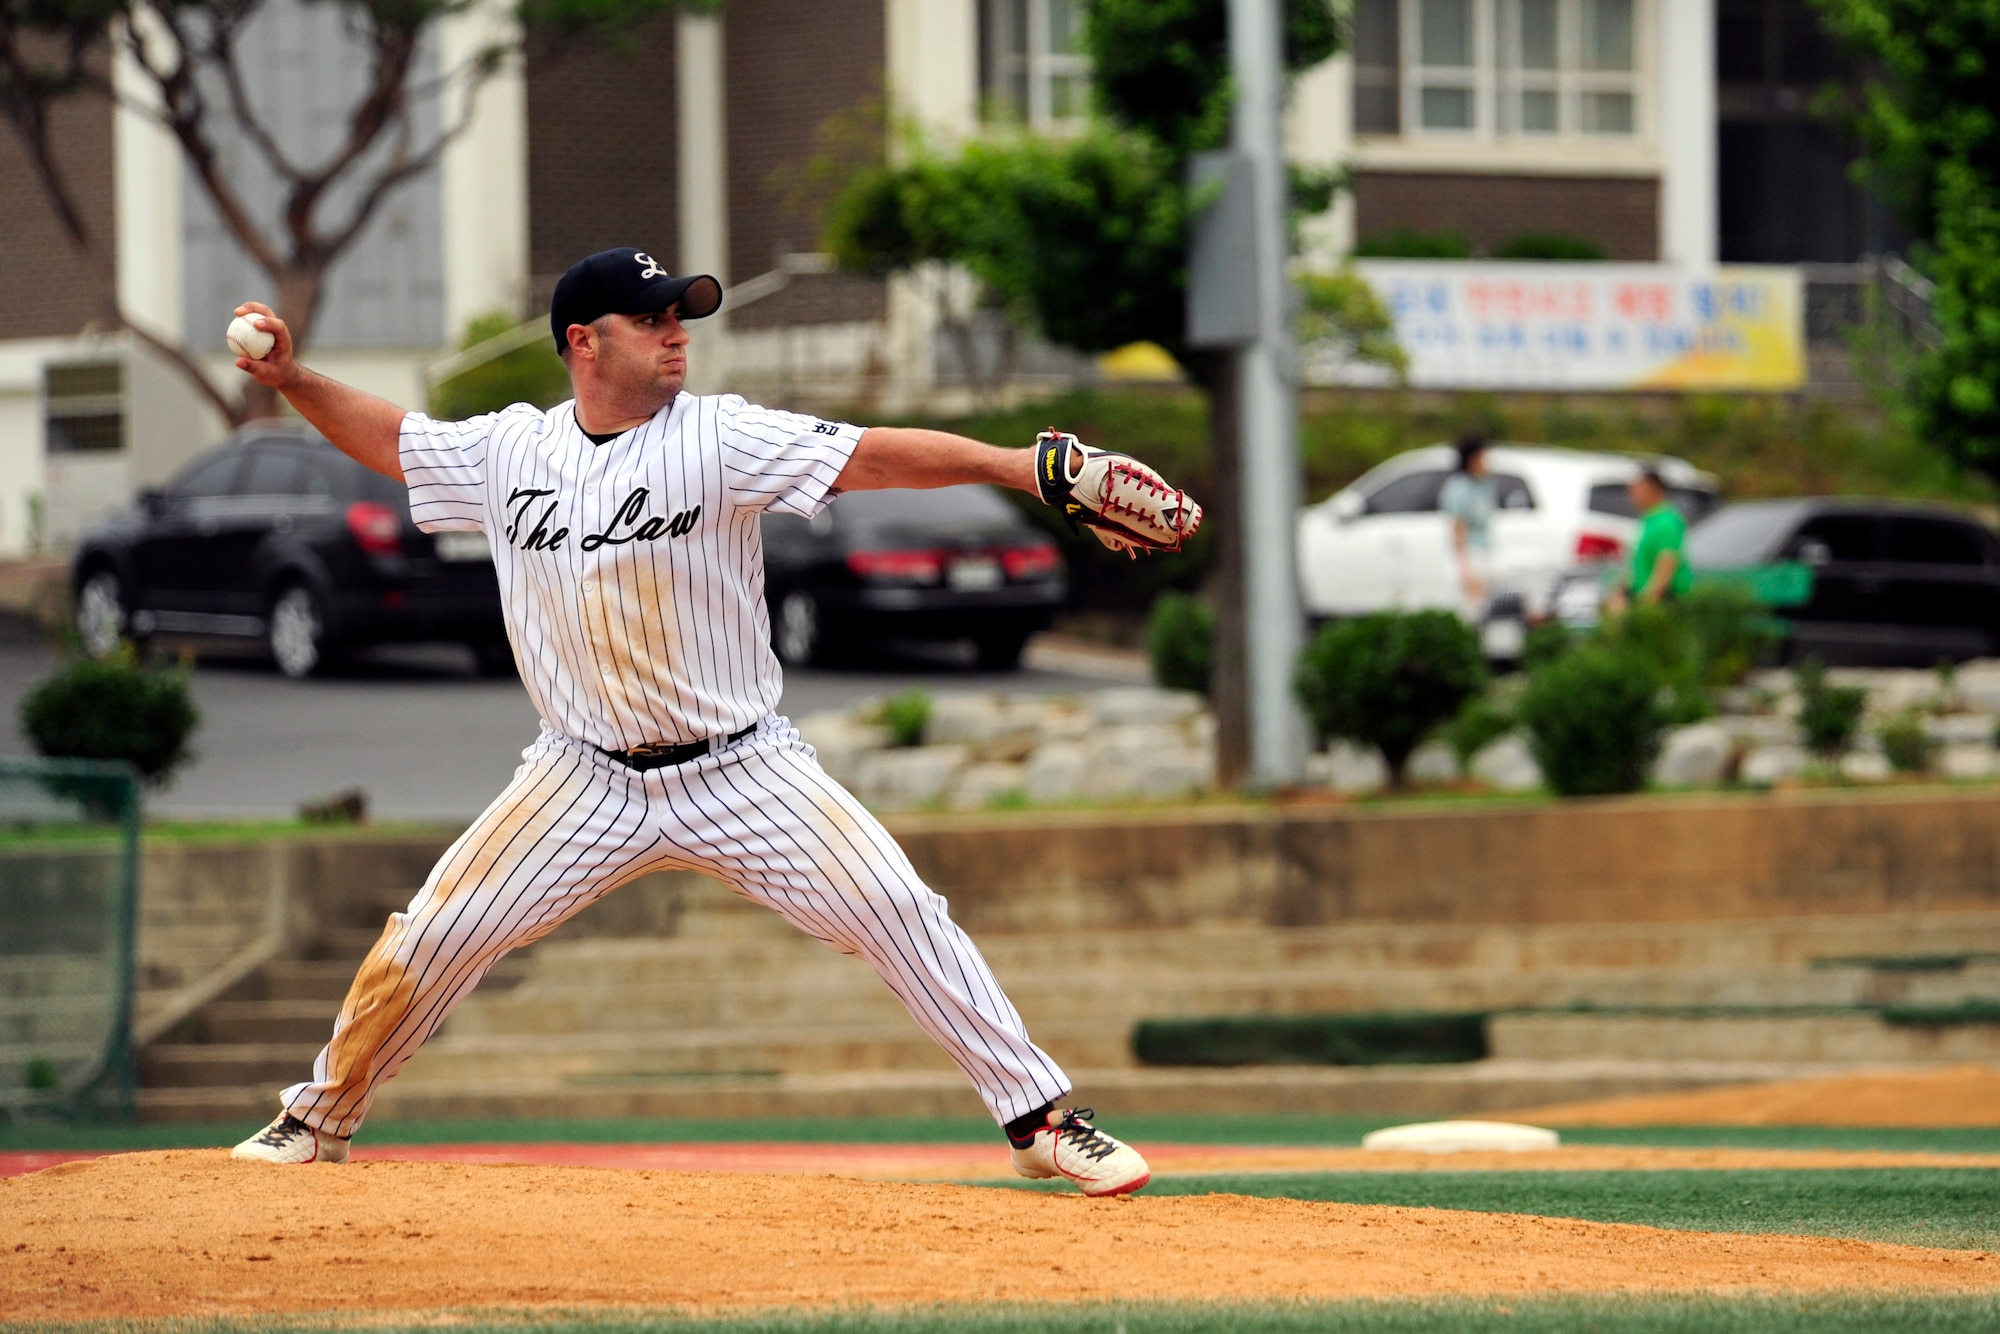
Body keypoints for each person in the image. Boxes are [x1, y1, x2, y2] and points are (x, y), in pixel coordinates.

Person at [223, 247, 1200, 1197]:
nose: (674, 332)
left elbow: (871, 456)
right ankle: (316, 1117)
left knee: (897, 908)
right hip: (579, 776)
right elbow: (390, 438)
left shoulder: (718, 436)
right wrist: (291, 375)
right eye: (649, 318)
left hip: (740, 769)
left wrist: (1022, 466)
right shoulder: (508, 449)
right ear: (583, 342)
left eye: (679, 314)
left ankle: (1037, 1121)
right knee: (436, 932)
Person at [1610, 464, 1691, 611]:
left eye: (1636, 488)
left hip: (1663, 602)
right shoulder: (1648, 519)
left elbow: (1667, 562)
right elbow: (1635, 561)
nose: (1631, 494)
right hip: (1639, 596)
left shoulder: (1666, 521)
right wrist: (1620, 592)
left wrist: (1649, 602)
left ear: (1652, 488)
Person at [1438, 433, 1495, 613]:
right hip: (1468, 556)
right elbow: (1457, 531)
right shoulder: (1459, 488)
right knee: (1470, 610)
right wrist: (1466, 570)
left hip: (1482, 551)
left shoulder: (1483, 484)